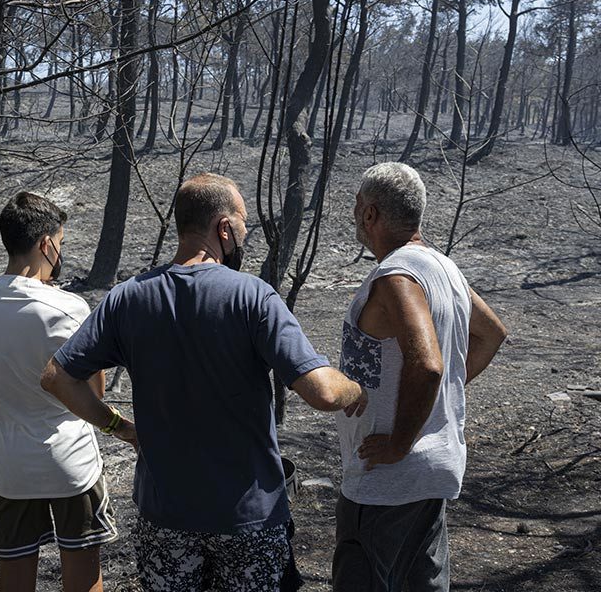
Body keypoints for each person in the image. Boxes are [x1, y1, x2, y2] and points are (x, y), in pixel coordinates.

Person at [41, 172, 366, 592]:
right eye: (243, 225)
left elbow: (57, 378)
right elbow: (322, 391)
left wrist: (121, 429)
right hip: (248, 519)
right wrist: (355, 388)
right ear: (224, 228)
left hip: (166, 517)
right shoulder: (254, 297)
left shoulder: (129, 298)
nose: (246, 235)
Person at [332, 162, 507, 592]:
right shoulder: (445, 268)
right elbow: (490, 335)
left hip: (386, 481)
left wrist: (399, 442)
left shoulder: (397, 276)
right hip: (431, 473)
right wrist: (438, 397)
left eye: (358, 206)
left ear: (370, 214)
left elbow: (428, 366)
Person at [0, 191, 120, 592]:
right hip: (71, 466)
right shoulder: (69, 309)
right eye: (60, 244)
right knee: (83, 579)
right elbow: (92, 395)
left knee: (13, 579)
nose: (59, 253)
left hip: (11, 470)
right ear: (46, 243)